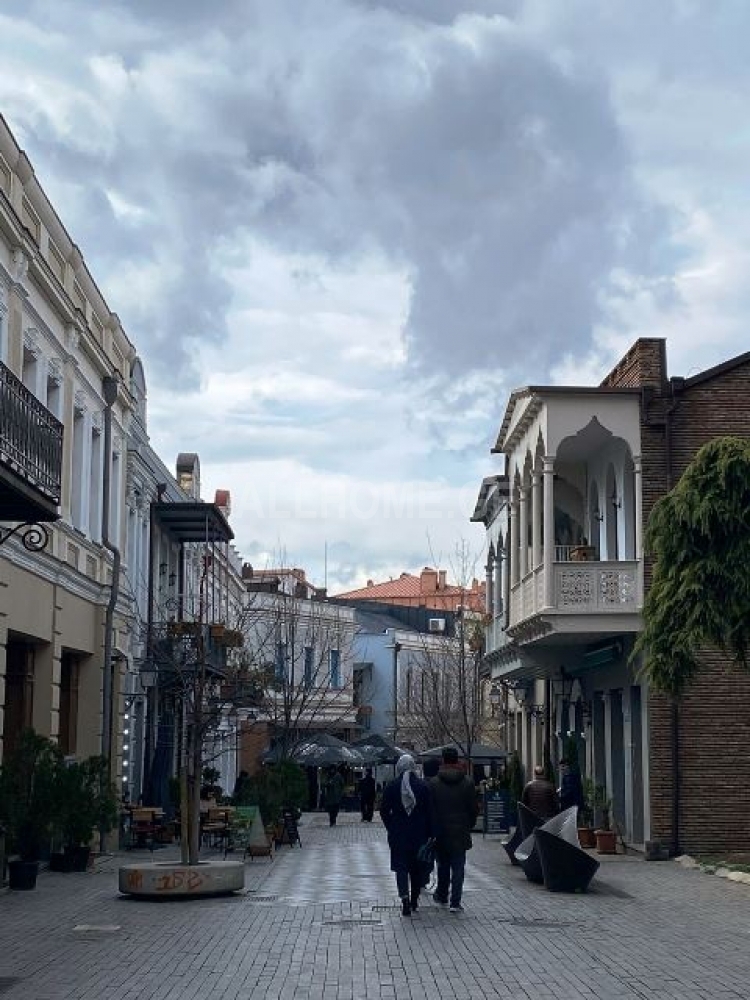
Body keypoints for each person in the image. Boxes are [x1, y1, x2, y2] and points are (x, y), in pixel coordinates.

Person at [380, 754, 433, 916]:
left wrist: (391, 826)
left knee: (401, 867)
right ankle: (415, 899)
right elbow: (430, 812)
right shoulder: (423, 786)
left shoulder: (392, 786)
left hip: (398, 834)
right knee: (416, 867)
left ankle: (404, 899)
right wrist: (430, 832)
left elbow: (383, 810)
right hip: (419, 834)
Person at [429, 747, 478, 914]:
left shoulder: (434, 783)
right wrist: (469, 825)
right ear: (457, 760)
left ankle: (442, 895)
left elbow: (431, 809)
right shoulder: (467, 782)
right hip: (460, 830)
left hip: (441, 831)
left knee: (442, 865)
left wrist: (433, 829)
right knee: (458, 867)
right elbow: (473, 808)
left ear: (443, 760)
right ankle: (455, 902)